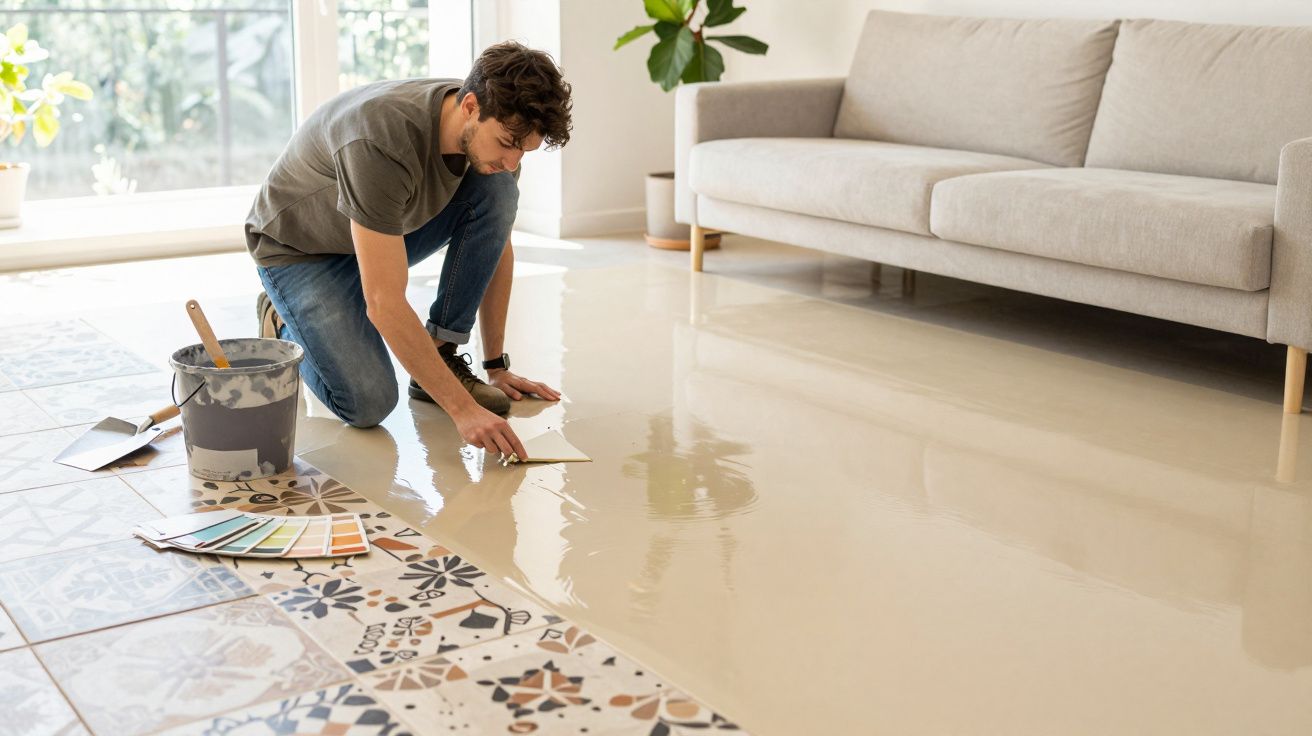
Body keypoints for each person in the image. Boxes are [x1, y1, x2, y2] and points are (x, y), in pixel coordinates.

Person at [244, 42, 572, 461]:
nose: (511, 160)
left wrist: (497, 365)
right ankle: (282, 318)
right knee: (369, 404)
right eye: (507, 143)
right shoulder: (381, 139)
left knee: (499, 191)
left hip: (376, 232)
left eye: (521, 151)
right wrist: (463, 409)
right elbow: (384, 303)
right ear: (470, 106)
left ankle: (443, 352)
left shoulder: (493, 135)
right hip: (299, 251)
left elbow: (495, 243)